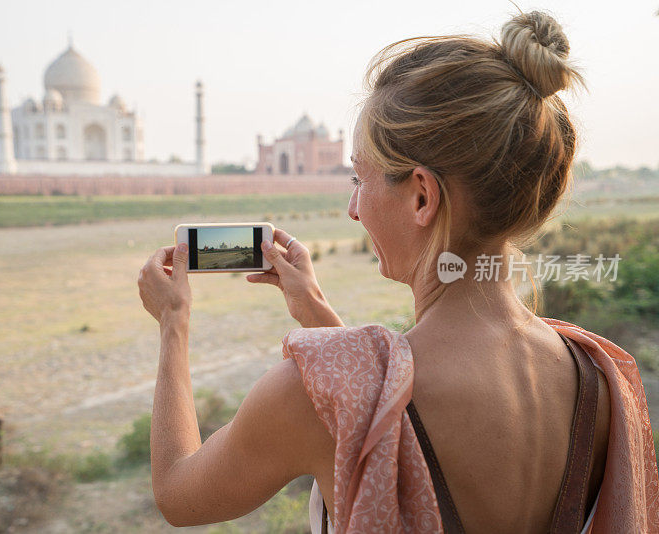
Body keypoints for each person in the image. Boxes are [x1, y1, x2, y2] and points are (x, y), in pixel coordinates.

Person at [137, 9, 659, 533]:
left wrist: (173, 322)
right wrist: (316, 311)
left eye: (358, 177)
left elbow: (180, 496)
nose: (353, 208)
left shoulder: (307, 393)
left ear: (421, 197)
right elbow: (376, 415)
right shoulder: (598, 376)